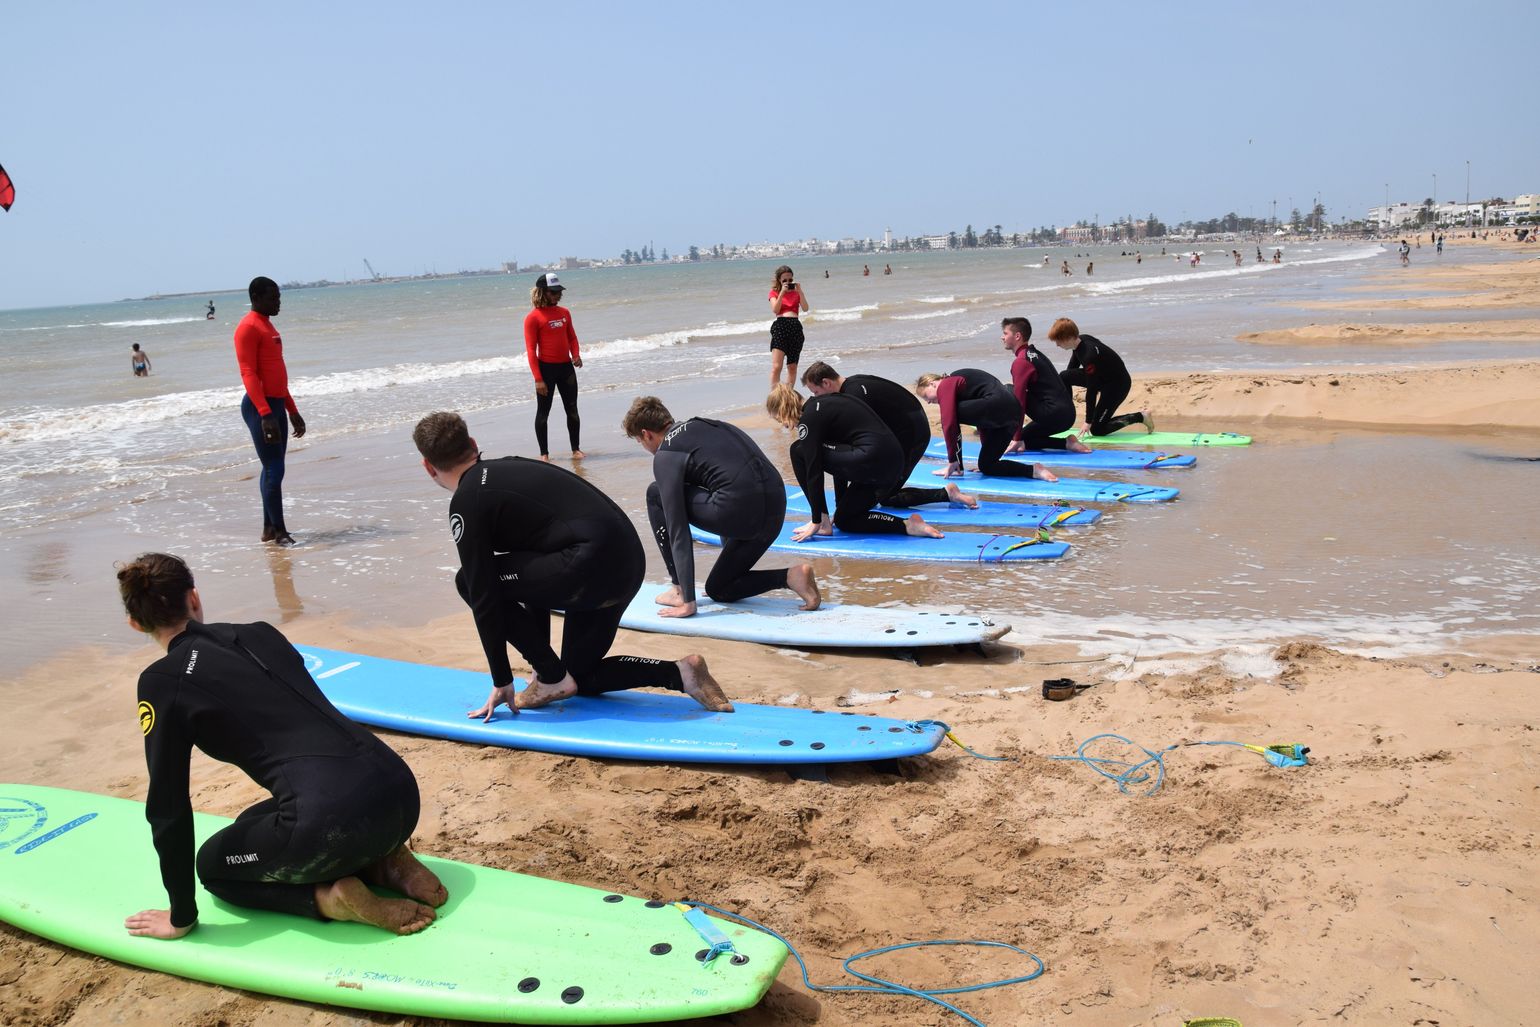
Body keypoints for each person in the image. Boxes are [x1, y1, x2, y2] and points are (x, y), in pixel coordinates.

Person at [118, 553, 446, 941]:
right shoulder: (260, 633)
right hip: (399, 791)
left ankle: (330, 898)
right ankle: (386, 861)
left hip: (332, 824)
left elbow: (167, 806)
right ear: (194, 597)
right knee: (247, 825)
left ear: (135, 623)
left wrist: (180, 916)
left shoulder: (162, 682)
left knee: (212, 866)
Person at [413, 411, 732, 719]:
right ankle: (683, 673)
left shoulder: (468, 501)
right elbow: (531, 572)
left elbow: (483, 594)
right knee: (580, 677)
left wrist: (502, 679)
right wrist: (544, 666)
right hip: (624, 564)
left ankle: (551, 677)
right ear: (471, 441)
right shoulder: (511, 470)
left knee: (467, 581)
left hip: (586, 567)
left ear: (428, 467)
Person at [622, 396, 819, 619]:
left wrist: (688, 599)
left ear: (647, 434)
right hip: (775, 509)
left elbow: (677, 530)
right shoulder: (709, 425)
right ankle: (791, 577)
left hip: (740, 512)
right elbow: (732, 478)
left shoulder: (666, 453)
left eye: (641, 441)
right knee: (720, 588)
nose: (646, 447)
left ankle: (677, 589)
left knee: (655, 493)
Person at [765, 385, 942, 542]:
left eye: (779, 419)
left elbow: (813, 470)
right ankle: (908, 526)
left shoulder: (810, 418)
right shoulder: (825, 405)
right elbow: (839, 460)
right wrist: (840, 506)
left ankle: (822, 520)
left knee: (797, 450)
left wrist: (817, 520)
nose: (783, 425)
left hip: (873, 461)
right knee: (845, 520)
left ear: (783, 409)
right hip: (888, 467)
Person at [801, 361, 976, 510]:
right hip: (904, 430)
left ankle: (947, 494)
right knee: (871, 491)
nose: (817, 399)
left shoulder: (853, 395)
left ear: (826, 383)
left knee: (884, 497)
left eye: (815, 392)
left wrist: (842, 503)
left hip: (912, 436)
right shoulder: (852, 385)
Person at [234, 276, 306, 546]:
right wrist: (264, 414)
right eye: (273, 298)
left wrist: (291, 409)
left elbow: (276, 374)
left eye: (279, 297)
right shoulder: (248, 327)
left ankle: (268, 529)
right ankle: (280, 532)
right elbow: (248, 372)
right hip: (259, 406)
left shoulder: (267, 325)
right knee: (274, 469)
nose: (278, 303)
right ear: (256, 298)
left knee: (273, 468)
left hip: (275, 403)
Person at [914, 368, 1061, 482]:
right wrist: (983, 450)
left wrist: (953, 460)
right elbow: (983, 420)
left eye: (926, 396)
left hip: (1000, 405)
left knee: (950, 413)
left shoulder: (946, 384)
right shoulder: (962, 392)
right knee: (987, 465)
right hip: (1011, 416)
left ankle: (956, 466)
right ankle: (1034, 470)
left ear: (932, 384)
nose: (927, 402)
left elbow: (949, 424)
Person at [1047, 317, 1152, 436]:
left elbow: (1092, 391)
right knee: (1064, 376)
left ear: (1069, 338)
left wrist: (1088, 421)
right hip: (1102, 377)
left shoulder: (1089, 355)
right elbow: (1071, 369)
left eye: (1058, 341)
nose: (1056, 345)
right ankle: (1065, 413)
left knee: (1097, 429)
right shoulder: (1080, 342)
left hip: (1117, 386)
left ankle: (1141, 416)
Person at [1000, 317, 1089, 456]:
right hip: (1067, 414)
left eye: (1005, 333)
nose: (1002, 337)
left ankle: (1010, 435)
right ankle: (1067, 443)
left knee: (1008, 389)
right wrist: (1019, 438)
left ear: (1017, 336)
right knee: (1025, 439)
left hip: (1053, 414)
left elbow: (1019, 402)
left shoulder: (1021, 362)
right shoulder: (1035, 354)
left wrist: (1015, 437)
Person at [523, 272, 584, 461]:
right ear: (542, 293)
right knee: (543, 413)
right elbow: (531, 351)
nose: (558, 295)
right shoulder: (532, 318)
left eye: (559, 291)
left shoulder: (564, 313)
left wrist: (576, 355)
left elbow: (572, 337)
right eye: (553, 292)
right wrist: (538, 379)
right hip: (546, 370)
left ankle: (576, 449)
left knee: (572, 409)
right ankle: (544, 454)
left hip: (566, 368)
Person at [767, 265, 808, 389]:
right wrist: (782, 293)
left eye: (790, 280)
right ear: (779, 280)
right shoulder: (774, 292)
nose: (787, 282)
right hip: (781, 327)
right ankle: (775, 397)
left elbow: (805, 308)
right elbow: (775, 309)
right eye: (784, 280)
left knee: (792, 367)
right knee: (776, 366)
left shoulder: (796, 292)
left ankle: (788, 396)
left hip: (795, 328)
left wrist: (800, 291)